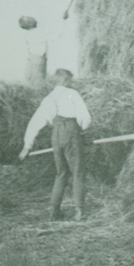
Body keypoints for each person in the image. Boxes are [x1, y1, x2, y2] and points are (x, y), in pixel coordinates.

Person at [19, 68, 92, 221]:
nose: (71, 83)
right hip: (70, 131)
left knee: (61, 173)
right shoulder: (72, 93)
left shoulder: (48, 99)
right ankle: (79, 211)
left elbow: (36, 122)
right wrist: (82, 132)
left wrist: (27, 145)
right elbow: (85, 118)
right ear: (65, 80)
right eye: (70, 80)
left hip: (56, 136)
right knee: (78, 172)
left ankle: (54, 211)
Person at [19, 16, 48, 86]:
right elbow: (57, 35)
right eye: (29, 19)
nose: (33, 18)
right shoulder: (37, 33)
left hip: (32, 59)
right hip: (38, 59)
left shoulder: (28, 34)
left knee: (31, 81)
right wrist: (64, 21)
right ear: (29, 23)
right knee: (38, 82)